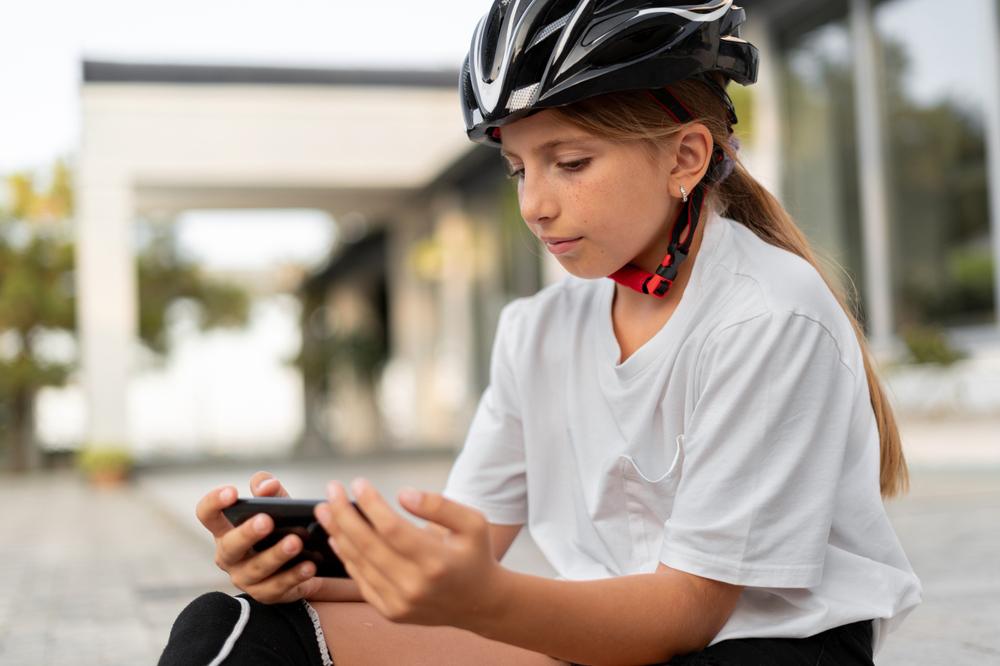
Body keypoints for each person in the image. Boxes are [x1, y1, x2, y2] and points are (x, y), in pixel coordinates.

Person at [159, 1, 922, 664]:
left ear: (685, 158)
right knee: (239, 628)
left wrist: (485, 600)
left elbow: (689, 611)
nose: (535, 206)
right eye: (519, 169)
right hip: (605, 641)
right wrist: (304, 566)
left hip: (765, 650)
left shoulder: (769, 316)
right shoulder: (537, 331)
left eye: (571, 162)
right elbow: (459, 551)